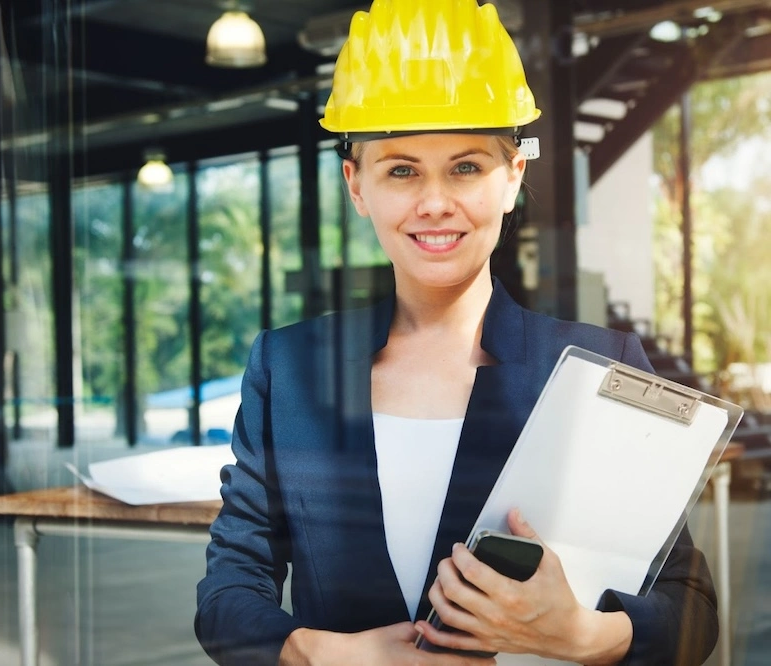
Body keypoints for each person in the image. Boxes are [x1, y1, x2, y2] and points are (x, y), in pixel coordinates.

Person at [195, 1, 718, 664]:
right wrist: (321, 654)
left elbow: (691, 609)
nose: (435, 202)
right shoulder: (289, 368)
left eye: (466, 167)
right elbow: (228, 591)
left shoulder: (599, 367)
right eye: (402, 170)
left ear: (513, 177)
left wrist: (582, 635)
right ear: (357, 187)